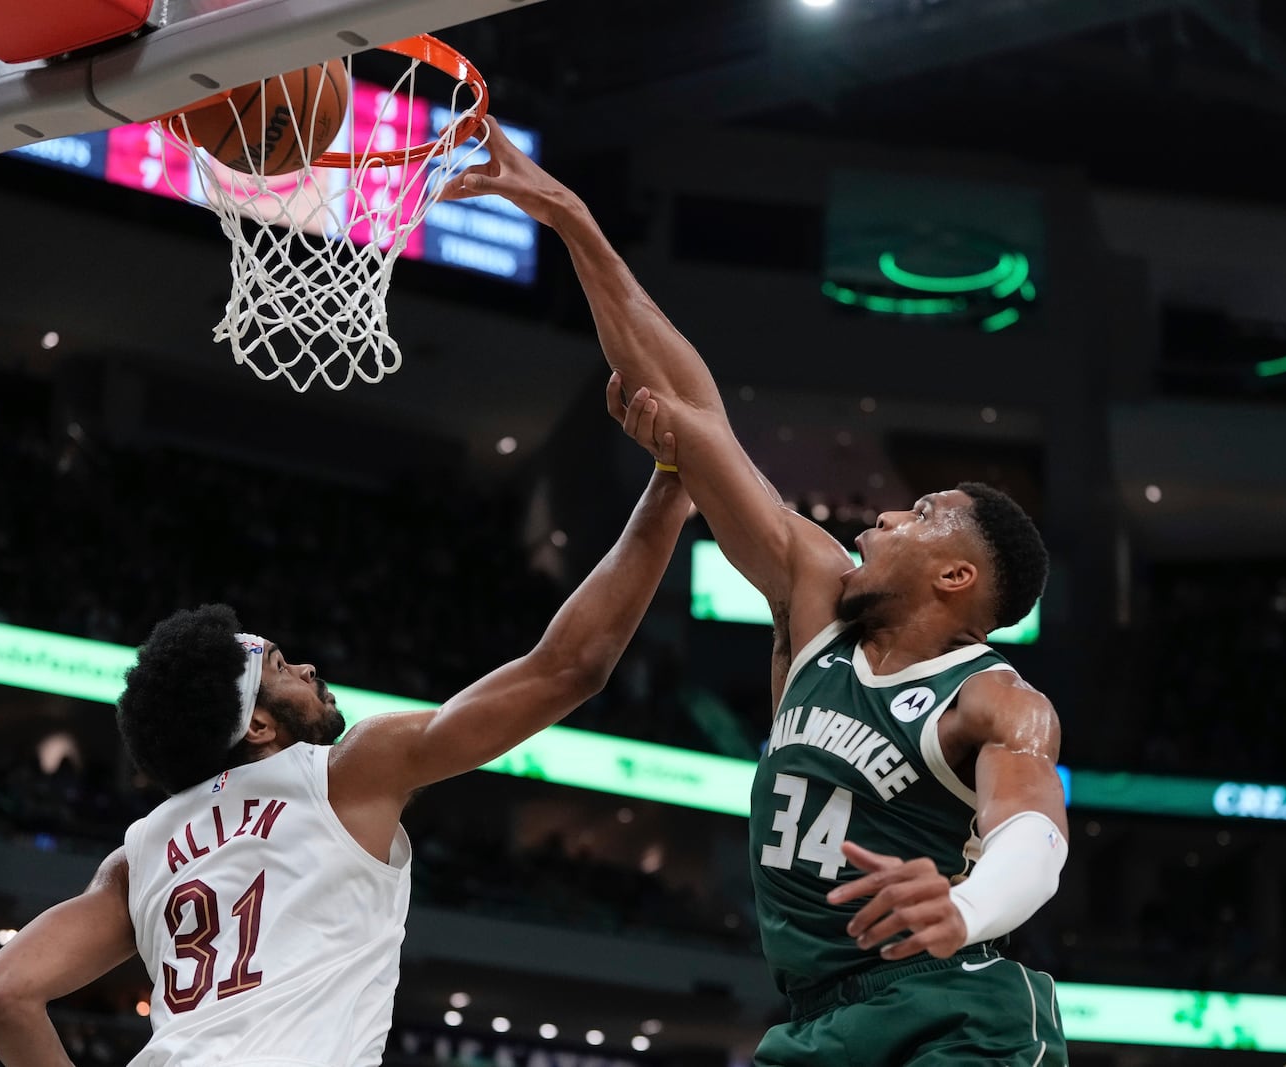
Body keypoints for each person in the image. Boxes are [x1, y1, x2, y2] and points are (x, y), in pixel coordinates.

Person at [442, 118, 1069, 1065]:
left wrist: (970, 905)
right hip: (818, 1017)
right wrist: (572, 220)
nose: (881, 518)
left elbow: (1033, 828)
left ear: (957, 576)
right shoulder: (814, 603)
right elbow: (694, 414)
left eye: (920, 512)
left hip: (952, 1011)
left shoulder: (995, 697)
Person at [0, 451, 693, 1067]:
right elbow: (569, 669)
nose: (308, 667)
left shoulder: (140, 852)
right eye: (281, 665)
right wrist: (668, 485)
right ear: (255, 725)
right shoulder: (345, 771)